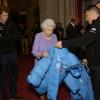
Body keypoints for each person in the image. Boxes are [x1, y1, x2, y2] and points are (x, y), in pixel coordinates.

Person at [55, 5, 100, 100]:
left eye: (87, 16)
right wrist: (88, 59)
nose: (86, 19)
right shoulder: (95, 25)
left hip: (98, 66)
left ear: (92, 13)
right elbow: (95, 44)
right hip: (95, 64)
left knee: (97, 92)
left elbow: (85, 40)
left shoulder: (97, 24)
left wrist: (64, 43)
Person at [31, 18, 57, 100]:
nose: (50, 32)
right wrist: (42, 54)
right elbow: (34, 51)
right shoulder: (38, 36)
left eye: (52, 30)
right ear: (43, 29)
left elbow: (56, 48)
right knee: (41, 85)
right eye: (48, 30)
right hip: (41, 65)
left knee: (51, 84)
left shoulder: (54, 36)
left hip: (52, 64)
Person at [0, 6, 20, 100]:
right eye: (4, 15)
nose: (6, 17)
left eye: (7, 15)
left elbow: (17, 37)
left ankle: (13, 94)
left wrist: (5, 36)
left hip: (13, 54)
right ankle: (4, 97)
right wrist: (10, 37)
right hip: (2, 55)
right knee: (3, 77)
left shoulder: (11, 24)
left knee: (14, 75)